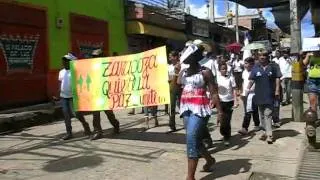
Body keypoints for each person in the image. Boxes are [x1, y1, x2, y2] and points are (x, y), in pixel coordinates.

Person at [177, 42, 222, 180]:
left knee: (191, 139)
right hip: (186, 109)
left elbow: (214, 92)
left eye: (188, 56)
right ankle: (209, 159)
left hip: (200, 109)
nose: (185, 59)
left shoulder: (205, 71)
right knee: (195, 139)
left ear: (194, 57)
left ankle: (190, 177)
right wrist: (176, 72)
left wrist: (220, 112)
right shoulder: (183, 72)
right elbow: (177, 86)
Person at [76, 49, 120, 140]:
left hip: (104, 94)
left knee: (109, 113)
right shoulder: (91, 67)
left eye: (96, 56)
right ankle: (98, 132)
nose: (94, 58)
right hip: (95, 94)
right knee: (95, 114)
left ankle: (116, 125)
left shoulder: (106, 66)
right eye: (93, 56)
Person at [246, 51, 281, 144]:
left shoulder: (273, 66)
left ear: (267, 56)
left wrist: (277, 90)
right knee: (261, 114)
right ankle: (265, 131)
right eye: (260, 55)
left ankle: (269, 135)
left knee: (268, 113)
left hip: (270, 94)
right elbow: (252, 80)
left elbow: (278, 78)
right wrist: (247, 89)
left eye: (264, 55)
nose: (262, 57)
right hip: (259, 94)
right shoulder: (256, 67)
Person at [54, 53, 91, 140]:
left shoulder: (75, 72)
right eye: (64, 61)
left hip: (73, 97)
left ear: (71, 62)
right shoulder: (61, 72)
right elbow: (60, 83)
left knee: (77, 114)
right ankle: (69, 133)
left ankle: (85, 125)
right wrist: (58, 93)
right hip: (64, 96)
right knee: (66, 114)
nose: (64, 62)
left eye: (66, 61)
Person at [217, 61, 239, 145]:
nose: (224, 70)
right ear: (219, 70)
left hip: (229, 101)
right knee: (222, 120)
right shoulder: (217, 78)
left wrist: (236, 100)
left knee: (227, 119)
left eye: (225, 68)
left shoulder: (231, 77)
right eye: (222, 69)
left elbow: (234, 89)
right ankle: (225, 134)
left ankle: (226, 137)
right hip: (220, 101)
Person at [238, 57, 260, 135]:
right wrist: (242, 92)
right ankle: (257, 124)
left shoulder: (255, 72)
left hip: (253, 94)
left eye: (247, 63)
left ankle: (245, 128)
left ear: (252, 64)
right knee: (251, 110)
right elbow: (243, 82)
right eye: (245, 63)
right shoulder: (244, 72)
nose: (245, 65)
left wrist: (253, 89)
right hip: (245, 94)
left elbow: (257, 83)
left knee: (249, 111)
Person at [167, 51, 182, 133]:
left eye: (171, 57)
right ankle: (172, 126)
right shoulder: (169, 67)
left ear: (176, 57)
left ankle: (187, 124)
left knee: (182, 107)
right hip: (171, 88)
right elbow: (167, 76)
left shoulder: (181, 65)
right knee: (171, 108)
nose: (169, 58)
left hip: (180, 88)